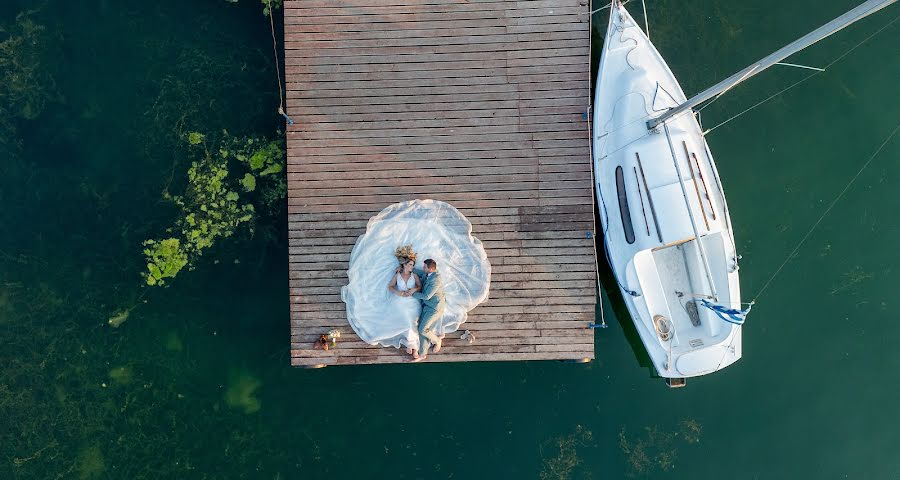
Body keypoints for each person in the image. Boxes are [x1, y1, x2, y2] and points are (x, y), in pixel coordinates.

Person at [387, 256, 422, 357]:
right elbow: (390, 286)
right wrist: (398, 292)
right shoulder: (397, 275)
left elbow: (420, 287)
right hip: (400, 301)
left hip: (413, 301)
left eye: (413, 265)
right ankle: (413, 346)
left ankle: (411, 345)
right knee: (406, 321)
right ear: (404, 265)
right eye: (410, 264)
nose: (412, 266)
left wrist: (413, 290)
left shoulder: (414, 275)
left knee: (413, 322)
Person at [411, 258, 446, 361]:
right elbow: (421, 273)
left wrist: (412, 294)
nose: (423, 268)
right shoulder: (429, 274)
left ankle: (437, 340)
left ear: (430, 269)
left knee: (423, 329)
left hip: (435, 307)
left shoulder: (436, 280)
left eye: (425, 267)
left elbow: (426, 296)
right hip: (427, 306)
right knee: (422, 328)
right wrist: (410, 269)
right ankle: (423, 354)